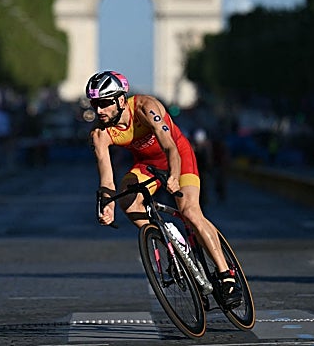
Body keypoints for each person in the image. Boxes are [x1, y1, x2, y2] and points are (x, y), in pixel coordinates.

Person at [86, 70, 242, 308]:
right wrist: (106, 206)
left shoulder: (146, 107)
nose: (99, 111)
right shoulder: (99, 134)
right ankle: (169, 239)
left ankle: (226, 275)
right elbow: (107, 180)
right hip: (147, 165)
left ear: (120, 99)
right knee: (126, 199)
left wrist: (175, 175)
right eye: (95, 104)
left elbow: (169, 146)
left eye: (104, 104)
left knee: (190, 212)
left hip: (179, 156)